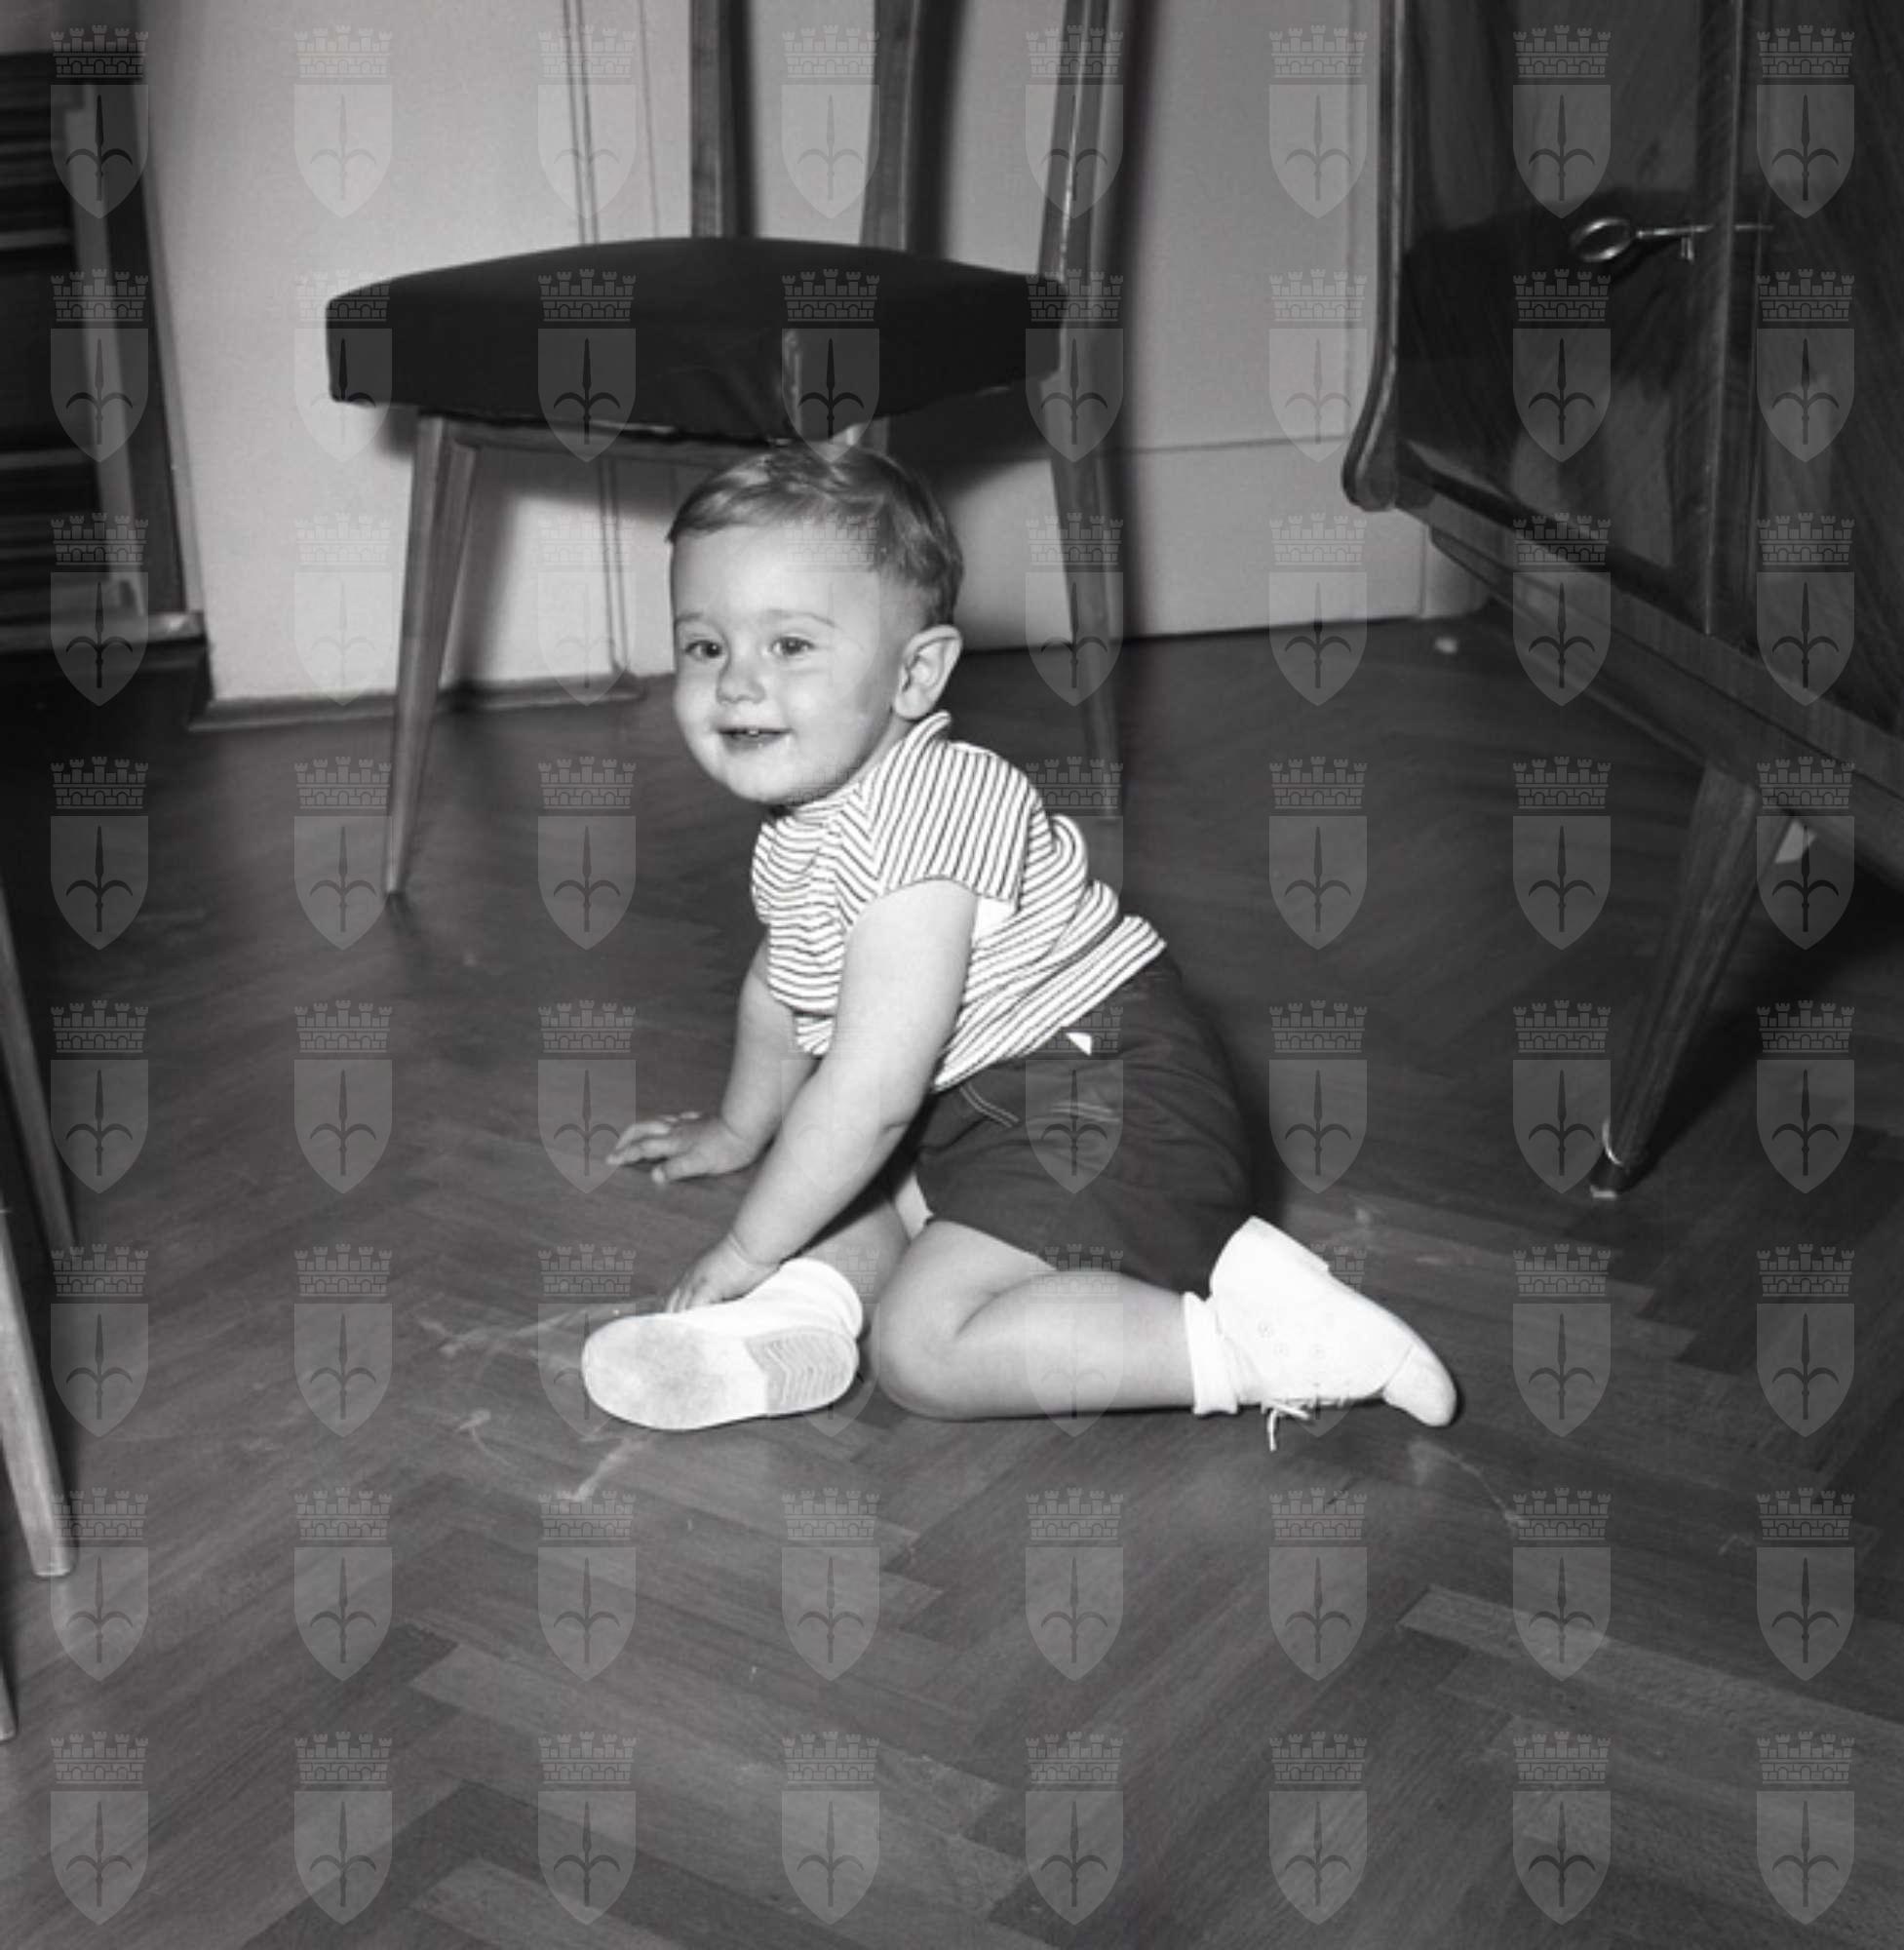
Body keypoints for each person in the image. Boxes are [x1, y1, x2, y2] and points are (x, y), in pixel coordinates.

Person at [579, 443, 1457, 1449]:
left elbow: (868, 1094)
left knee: (924, 1346)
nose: (736, 683)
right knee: (848, 1194)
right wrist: (740, 1131)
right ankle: (795, 1323)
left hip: (1108, 1107)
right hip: (991, 1105)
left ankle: (1266, 1345)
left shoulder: (923, 825)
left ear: (916, 672)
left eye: (788, 645)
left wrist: (743, 1248)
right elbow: (782, 985)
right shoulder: (815, 817)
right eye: (704, 646)